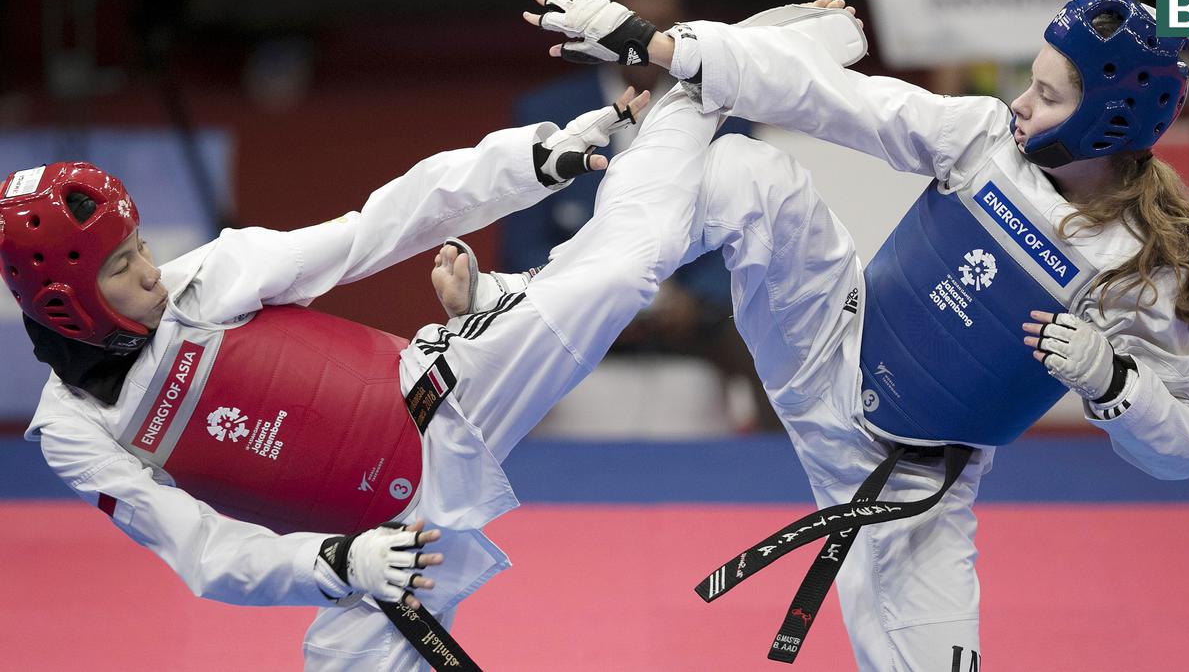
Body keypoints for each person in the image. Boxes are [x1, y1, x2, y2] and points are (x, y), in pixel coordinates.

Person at [526, 0, 1189, 669]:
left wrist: (1115, 383)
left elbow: (1188, 450)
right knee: (743, 171)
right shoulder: (983, 139)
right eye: (1030, 83)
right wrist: (656, 45)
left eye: (1047, 96)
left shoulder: (1141, 272)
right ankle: (537, 298)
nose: (1020, 103)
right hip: (825, 344)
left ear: (1106, 119)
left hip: (908, 483)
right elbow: (827, 97)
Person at [1, 83, 725, 670]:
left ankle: (701, 85)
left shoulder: (208, 279)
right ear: (65, 301)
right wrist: (341, 562)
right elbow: (200, 549)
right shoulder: (74, 431)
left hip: (443, 399)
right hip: (383, 545)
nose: (151, 272)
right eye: (121, 267)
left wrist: (531, 161)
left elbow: (382, 224)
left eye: (140, 246)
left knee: (621, 274)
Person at [507, 0, 779, 432]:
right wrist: (590, 293)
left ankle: (783, 467)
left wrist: (697, 301)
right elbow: (523, 245)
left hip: (689, 317)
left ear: (682, 30)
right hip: (575, 306)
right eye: (626, 29)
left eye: (657, 29)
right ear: (595, 30)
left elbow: (744, 231)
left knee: (772, 336)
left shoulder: (726, 111)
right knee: (495, 336)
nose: (638, 45)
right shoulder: (546, 113)